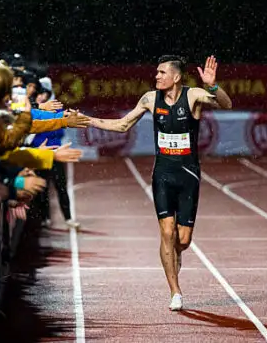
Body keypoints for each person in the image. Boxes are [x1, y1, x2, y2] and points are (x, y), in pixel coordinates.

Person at [86, 55, 232, 311]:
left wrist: (212, 86)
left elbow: (226, 105)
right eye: (156, 72)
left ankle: (174, 255)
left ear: (176, 77)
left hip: (188, 176)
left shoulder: (194, 96)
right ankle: (175, 291)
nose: (156, 76)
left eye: (161, 72)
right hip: (162, 174)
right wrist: (88, 121)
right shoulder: (150, 99)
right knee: (166, 231)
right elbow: (122, 125)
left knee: (182, 241)